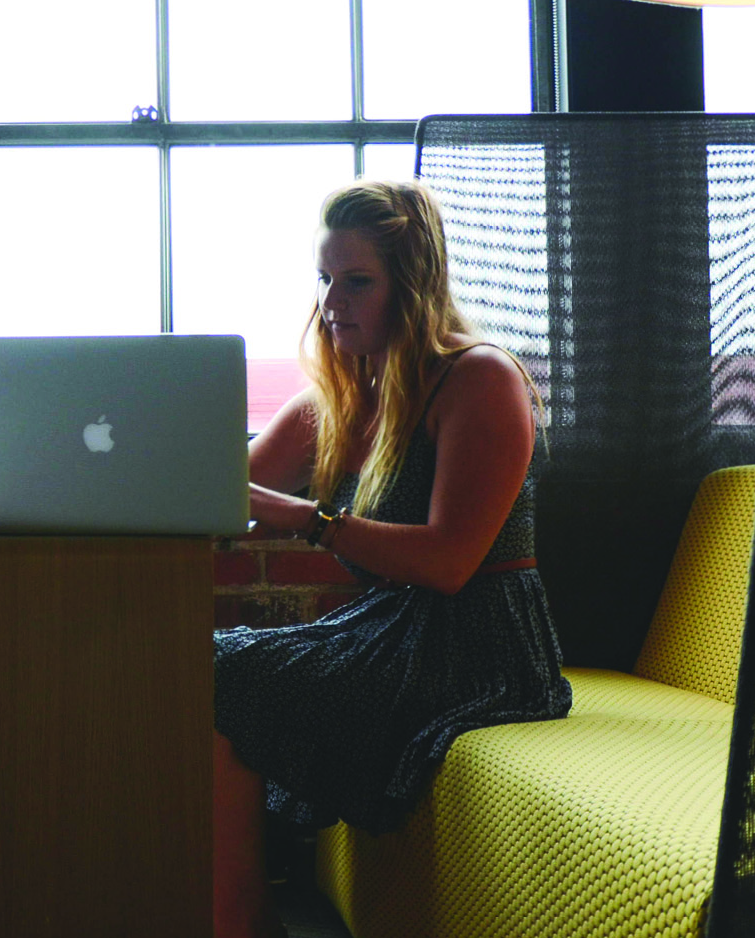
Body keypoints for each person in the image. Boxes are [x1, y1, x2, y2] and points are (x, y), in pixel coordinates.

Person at [210, 179, 572, 937]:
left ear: (411, 286)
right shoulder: (342, 392)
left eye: (357, 282)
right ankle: (230, 912)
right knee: (202, 663)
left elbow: (449, 563)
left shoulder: (478, 379)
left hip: (479, 642)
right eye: (325, 279)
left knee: (223, 673)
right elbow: (224, 490)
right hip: (389, 627)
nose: (332, 302)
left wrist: (311, 520)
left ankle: (237, 921)